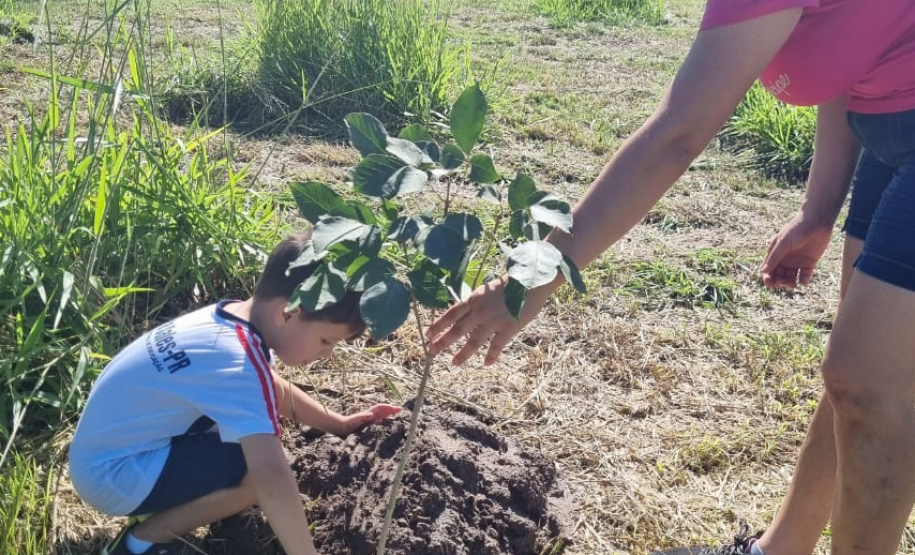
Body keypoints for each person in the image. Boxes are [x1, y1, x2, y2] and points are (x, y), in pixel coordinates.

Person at [427, 0, 915, 553]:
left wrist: (531, 279)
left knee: (870, 384)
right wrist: (818, 209)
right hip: (886, 125)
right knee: (864, 375)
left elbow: (676, 137)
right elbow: (852, 52)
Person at [69, 234, 402, 555]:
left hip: (104, 456)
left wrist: (338, 424)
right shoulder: (237, 362)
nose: (327, 354)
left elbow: (268, 388)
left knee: (249, 440)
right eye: (326, 341)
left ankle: (172, 501)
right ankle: (141, 540)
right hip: (111, 476)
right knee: (253, 473)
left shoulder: (230, 321)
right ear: (288, 313)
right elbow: (270, 475)